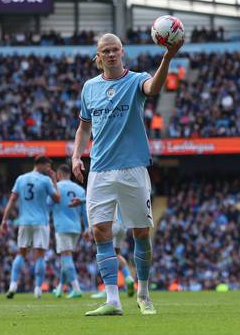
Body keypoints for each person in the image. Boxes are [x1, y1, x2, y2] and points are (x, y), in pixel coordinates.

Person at [72, 32, 183, 316]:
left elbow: (154, 88)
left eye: (115, 50)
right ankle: (113, 300)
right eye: (105, 51)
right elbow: (84, 127)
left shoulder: (135, 80)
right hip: (99, 169)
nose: (111, 54)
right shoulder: (89, 88)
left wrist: (168, 56)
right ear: (98, 57)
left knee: (141, 233)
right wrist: (76, 155)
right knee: (99, 231)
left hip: (132, 168)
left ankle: (144, 294)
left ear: (123, 53)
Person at [1, 155, 60, 299]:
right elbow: (57, 198)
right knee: (39, 255)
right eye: (47, 166)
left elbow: (12, 200)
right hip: (41, 222)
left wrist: (4, 220)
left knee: (21, 253)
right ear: (40, 165)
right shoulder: (46, 180)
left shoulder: (21, 179)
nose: (49, 169)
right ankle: (38, 289)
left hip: (24, 222)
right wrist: (54, 180)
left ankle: (13, 286)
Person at [49, 164, 88, 299]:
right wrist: (87, 228)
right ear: (70, 174)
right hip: (76, 227)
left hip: (62, 226)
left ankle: (76, 289)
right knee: (66, 258)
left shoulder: (56, 188)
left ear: (59, 175)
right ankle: (60, 288)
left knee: (66, 257)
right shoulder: (79, 189)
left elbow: (48, 204)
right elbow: (85, 210)